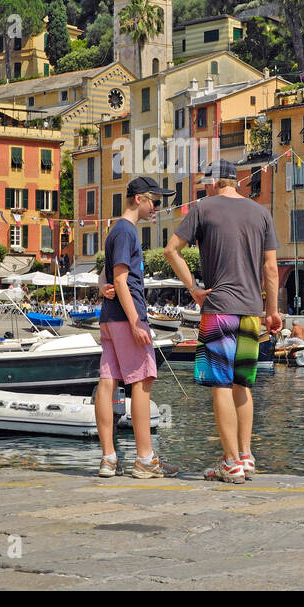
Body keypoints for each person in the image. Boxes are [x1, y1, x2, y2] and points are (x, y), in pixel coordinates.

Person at [167, 159, 280, 484]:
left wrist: (194, 288)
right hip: (251, 311)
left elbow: (171, 250)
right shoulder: (261, 213)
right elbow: (271, 269)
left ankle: (229, 463)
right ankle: (245, 456)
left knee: (220, 384)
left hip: (218, 308)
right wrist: (271, 310)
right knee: (242, 384)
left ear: (215, 182)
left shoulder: (203, 208)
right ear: (237, 182)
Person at [94, 177, 176, 479]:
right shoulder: (127, 232)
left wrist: (102, 289)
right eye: (155, 202)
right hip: (127, 319)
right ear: (139, 199)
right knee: (142, 382)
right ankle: (144, 459)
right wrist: (136, 323)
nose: (157, 208)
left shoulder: (114, 230)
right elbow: (120, 279)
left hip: (108, 318)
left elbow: (106, 277)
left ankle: (108, 459)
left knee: (108, 383)